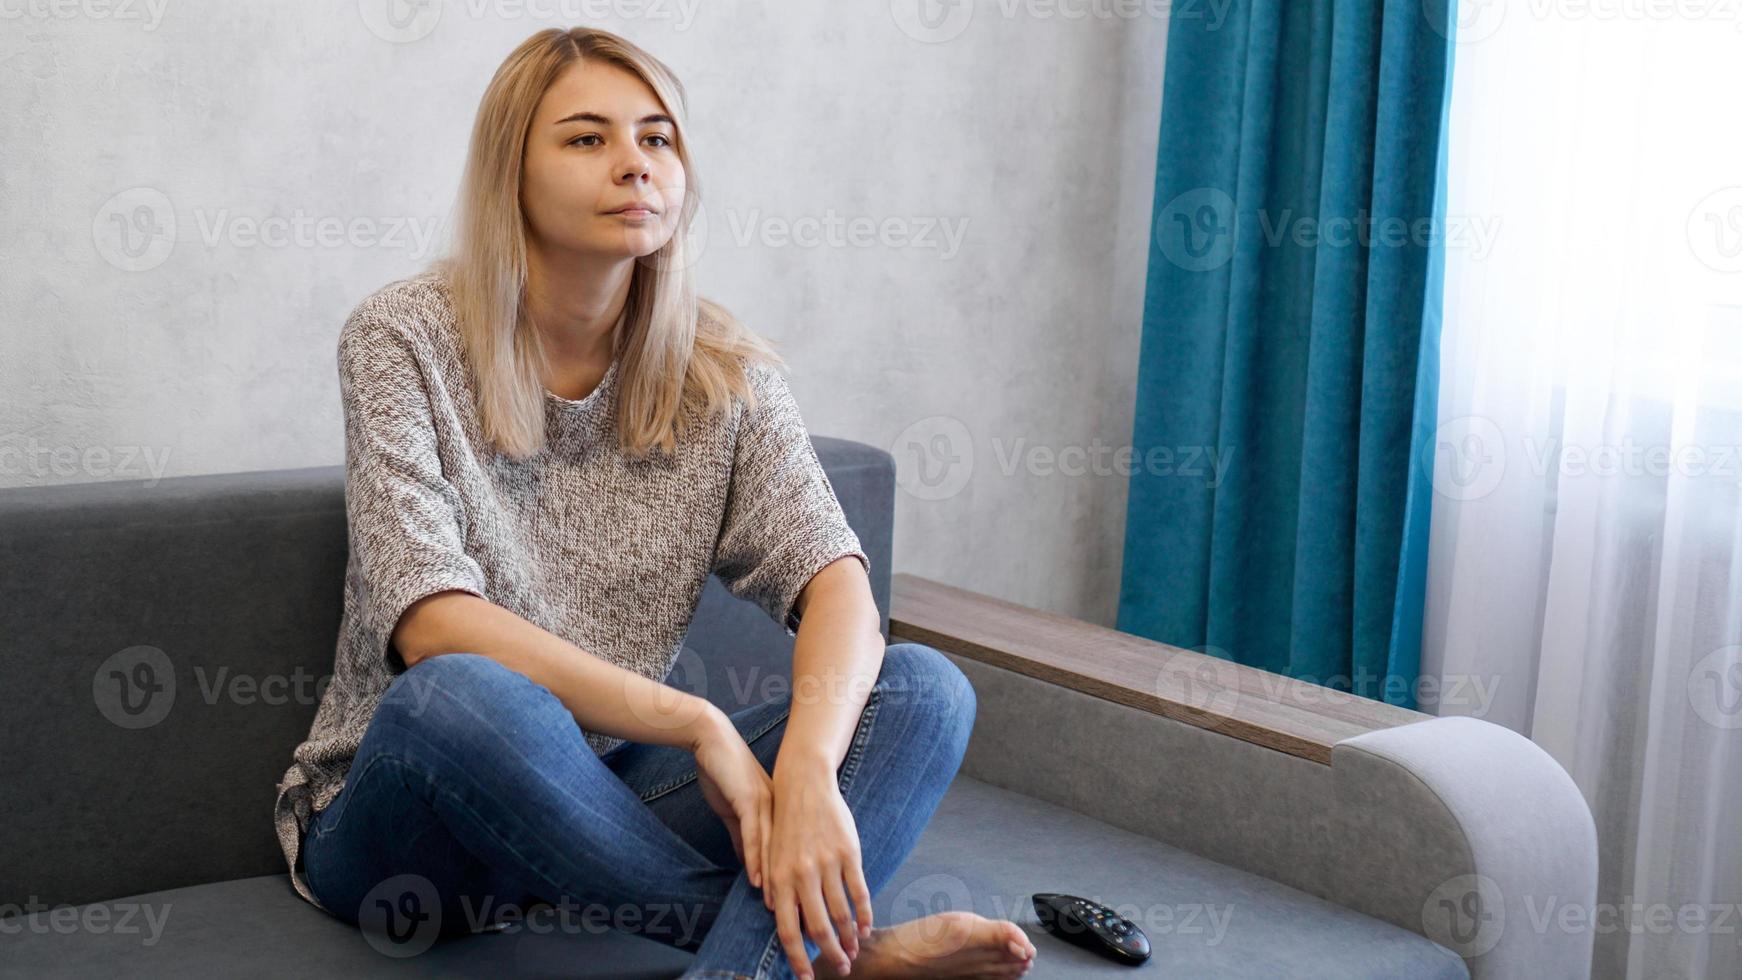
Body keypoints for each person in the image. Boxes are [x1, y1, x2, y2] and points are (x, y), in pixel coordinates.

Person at [271, 26, 1038, 980]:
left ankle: (743, 964)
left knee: (927, 690)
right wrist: (697, 722)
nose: (635, 164)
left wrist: (802, 770)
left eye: (658, 138)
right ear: (513, 171)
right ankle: (851, 954)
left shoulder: (721, 373)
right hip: (408, 827)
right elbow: (432, 625)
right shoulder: (403, 338)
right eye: (588, 139)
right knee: (460, 696)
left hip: (601, 809)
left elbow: (837, 584)